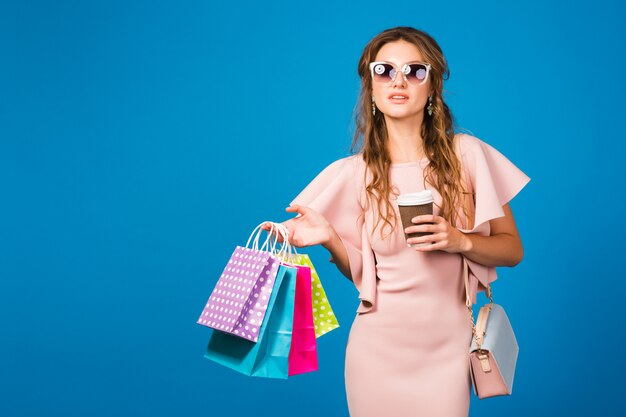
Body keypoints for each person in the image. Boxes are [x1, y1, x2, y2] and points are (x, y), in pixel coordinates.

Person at [264, 26, 530, 417]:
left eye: (414, 70)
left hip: (446, 350)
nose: (398, 80)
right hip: (376, 352)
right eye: (384, 70)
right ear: (371, 89)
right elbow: (364, 276)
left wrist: (460, 240)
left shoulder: (468, 156)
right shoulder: (353, 174)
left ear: (432, 87)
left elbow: (512, 249)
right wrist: (330, 240)